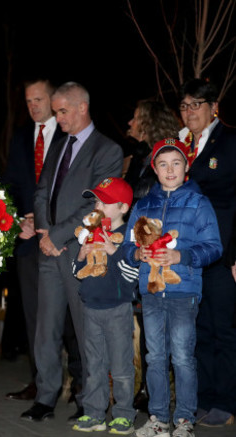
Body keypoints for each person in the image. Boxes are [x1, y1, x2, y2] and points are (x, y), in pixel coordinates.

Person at [21, 82, 123, 423]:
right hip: (50, 249)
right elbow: (41, 190)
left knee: (86, 330)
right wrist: (44, 232)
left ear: (82, 108)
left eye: (62, 111)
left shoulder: (107, 150)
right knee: (45, 329)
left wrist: (60, 234)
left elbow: (97, 206)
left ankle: (90, 400)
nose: (57, 117)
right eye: (56, 111)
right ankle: (46, 396)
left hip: (82, 251)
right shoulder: (58, 144)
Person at [123, 138, 222, 437]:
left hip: (184, 292)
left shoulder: (199, 203)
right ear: (154, 168)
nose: (170, 170)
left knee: (181, 355)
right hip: (151, 293)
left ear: (186, 166)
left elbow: (214, 247)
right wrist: (137, 253)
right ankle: (158, 418)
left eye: (176, 163)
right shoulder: (143, 204)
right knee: (155, 356)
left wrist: (182, 256)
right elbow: (127, 246)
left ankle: (184, 420)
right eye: (163, 164)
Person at [3, 79, 82, 403]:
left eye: (38, 99)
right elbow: (10, 185)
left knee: (69, 317)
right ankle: (40, 382)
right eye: (28, 100)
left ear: (52, 101)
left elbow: (78, 189)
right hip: (26, 241)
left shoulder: (70, 134)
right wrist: (18, 218)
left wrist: (48, 221)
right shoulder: (21, 138)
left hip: (62, 238)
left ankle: (80, 383)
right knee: (36, 318)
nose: (33, 106)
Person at [177, 79, 236, 427]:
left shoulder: (229, 141)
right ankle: (202, 397)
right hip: (187, 254)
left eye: (196, 104)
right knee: (195, 328)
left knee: (222, 329)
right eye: (184, 105)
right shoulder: (179, 145)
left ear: (213, 107)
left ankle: (226, 403)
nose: (189, 111)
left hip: (222, 252)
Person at [123, 99, 181, 411]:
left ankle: (156, 389)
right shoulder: (138, 159)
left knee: (159, 325)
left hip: (159, 250)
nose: (130, 124)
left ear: (148, 122)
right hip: (141, 250)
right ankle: (148, 387)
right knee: (148, 325)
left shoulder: (161, 160)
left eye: (134, 118)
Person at [70, 177, 138, 434]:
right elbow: (77, 272)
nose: (98, 205)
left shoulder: (128, 238)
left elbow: (132, 276)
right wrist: (80, 254)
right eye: (97, 200)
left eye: (105, 202)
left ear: (123, 207)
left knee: (120, 366)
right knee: (94, 366)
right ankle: (94, 413)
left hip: (117, 308)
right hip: (91, 307)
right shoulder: (88, 232)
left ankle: (123, 414)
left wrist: (113, 251)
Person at [124, 100, 181, 205]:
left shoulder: (169, 155)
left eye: (135, 119)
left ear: (148, 125)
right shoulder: (140, 154)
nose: (130, 123)